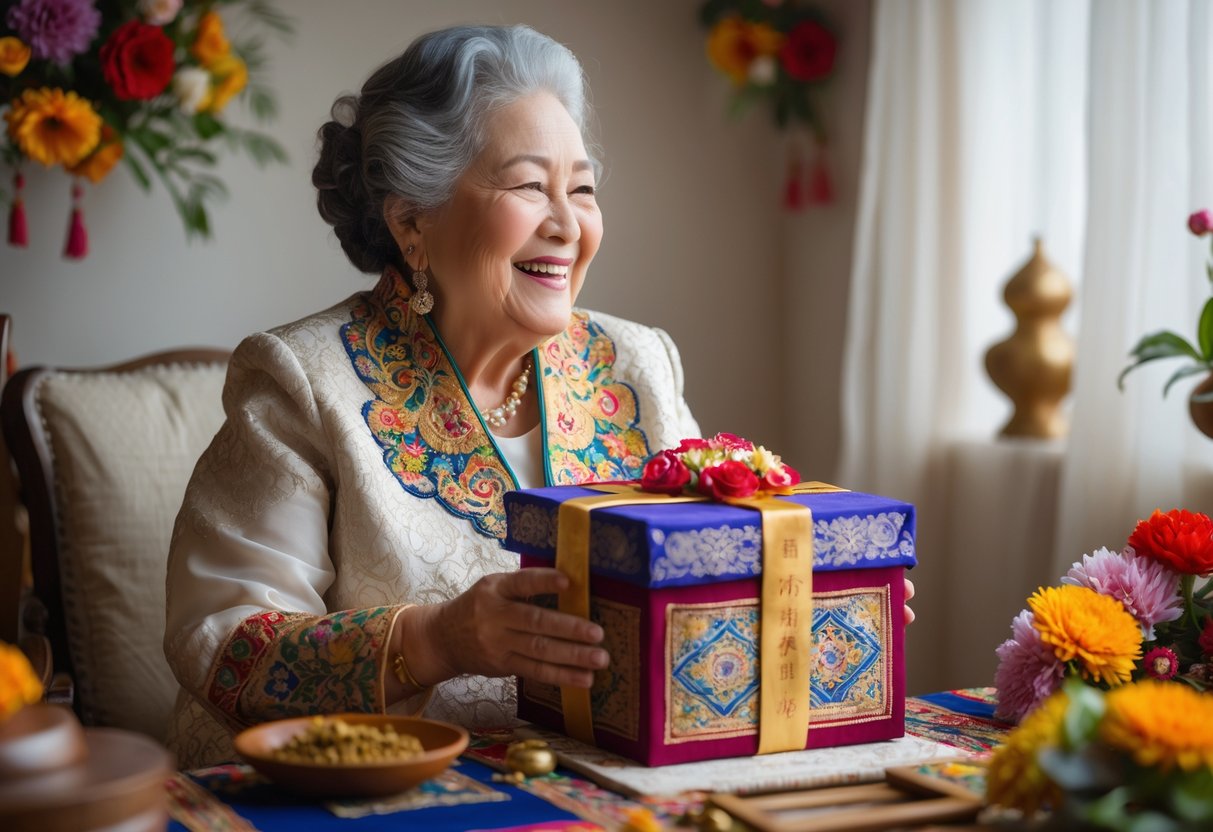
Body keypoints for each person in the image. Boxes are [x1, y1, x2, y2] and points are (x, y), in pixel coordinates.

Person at [163, 23, 914, 769]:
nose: (568, 225)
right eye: (529, 186)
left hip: (605, 791)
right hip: (374, 797)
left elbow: (704, 589)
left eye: (581, 189)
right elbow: (224, 645)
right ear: (411, 220)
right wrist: (439, 639)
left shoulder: (636, 362)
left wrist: (803, 607)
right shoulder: (302, 378)